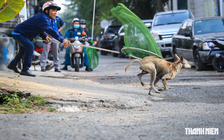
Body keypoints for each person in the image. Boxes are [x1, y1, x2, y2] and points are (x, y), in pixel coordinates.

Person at [7, 1, 70, 77]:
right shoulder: (42, 18)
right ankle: (25, 69)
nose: (55, 12)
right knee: (30, 47)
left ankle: (13, 65)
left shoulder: (46, 19)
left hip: (22, 34)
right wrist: (62, 39)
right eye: (53, 10)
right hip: (19, 33)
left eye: (56, 11)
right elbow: (50, 30)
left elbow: (41, 30)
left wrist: (45, 36)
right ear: (46, 10)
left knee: (23, 50)